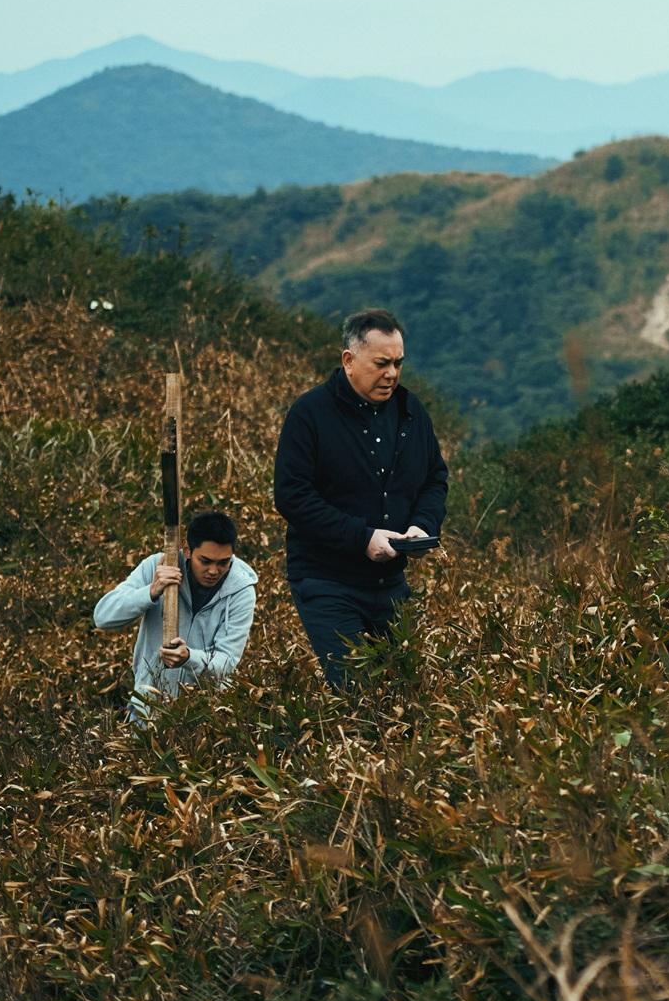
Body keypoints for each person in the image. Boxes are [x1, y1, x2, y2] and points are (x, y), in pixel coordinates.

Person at [272, 308, 448, 689]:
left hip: (391, 583)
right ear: (349, 361)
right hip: (326, 581)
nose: (392, 374)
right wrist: (362, 537)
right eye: (382, 363)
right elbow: (292, 496)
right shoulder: (309, 414)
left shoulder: (411, 411)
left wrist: (422, 525)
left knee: (406, 692)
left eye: (399, 363)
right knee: (358, 694)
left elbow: (435, 477)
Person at [93, 511, 259, 719]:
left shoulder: (242, 592)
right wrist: (151, 591)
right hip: (148, 704)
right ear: (187, 550)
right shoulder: (157, 566)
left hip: (205, 713)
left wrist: (189, 658)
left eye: (223, 563)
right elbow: (103, 617)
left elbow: (226, 662)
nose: (214, 571)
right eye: (205, 561)